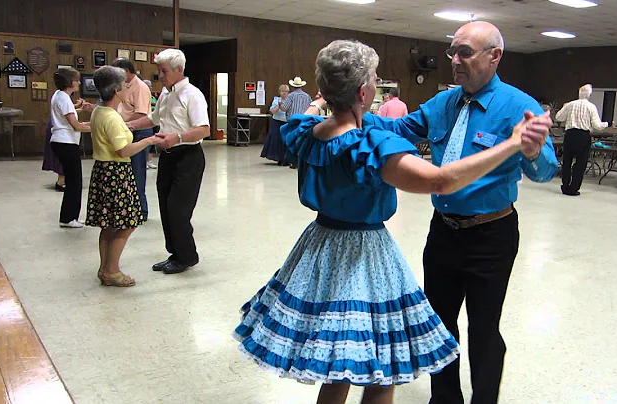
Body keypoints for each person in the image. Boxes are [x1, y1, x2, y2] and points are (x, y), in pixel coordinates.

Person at [234, 39, 552, 404]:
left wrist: (328, 97)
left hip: (328, 244)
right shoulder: (370, 142)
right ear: (364, 91)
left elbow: (306, 114)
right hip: (371, 252)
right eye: (372, 78)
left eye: (465, 51)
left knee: (343, 361)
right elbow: (440, 179)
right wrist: (511, 143)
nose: (455, 59)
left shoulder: (306, 130)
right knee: (380, 367)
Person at [126, 49, 210, 275]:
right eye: (159, 71)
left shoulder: (193, 95)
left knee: (177, 210)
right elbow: (153, 118)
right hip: (168, 156)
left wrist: (177, 137)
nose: (160, 76)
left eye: (164, 71)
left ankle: (187, 257)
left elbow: (204, 129)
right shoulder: (165, 94)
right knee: (164, 205)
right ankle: (174, 252)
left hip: (188, 157)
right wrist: (130, 125)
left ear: (179, 69)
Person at [86, 66, 157, 287]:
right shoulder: (112, 117)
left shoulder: (98, 111)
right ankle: (112, 269)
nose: (128, 88)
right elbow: (123, 150)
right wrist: (149, 141)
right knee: (127, 223)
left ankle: (105, 268)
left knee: (109, 224)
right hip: (116, 173)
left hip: (103, 171)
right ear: (117, 89)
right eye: (125, 85)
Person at [111, 58, 153, 219]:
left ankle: (141, 210)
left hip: (139, 131)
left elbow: (141, 114)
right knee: (127, 172)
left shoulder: (140, 87)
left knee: (137, 172)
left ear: (126, 71)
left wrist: (120, 122)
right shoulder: (124, 86)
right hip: (127, 129)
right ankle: (129, 206)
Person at [50, 67, 92, 228]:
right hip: (65, 142)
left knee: (73, 180)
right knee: (74, 181)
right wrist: (98, 127)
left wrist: (80, 108)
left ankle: (70, 216)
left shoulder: (60, 96)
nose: (79, 83)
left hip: (62, 141)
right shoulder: (64, 98)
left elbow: (67, 114)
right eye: (76, 80)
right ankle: (68, 218)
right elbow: (76, 126)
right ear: (70, 82)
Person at [554, 84, 608, 196]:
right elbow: (597, 125)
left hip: (570, 135)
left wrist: (564, 107)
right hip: (583, 136)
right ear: (589, 94)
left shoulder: (570, 105)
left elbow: (558, 117)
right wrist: (607, 124)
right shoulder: (591, 107)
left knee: (567, 161)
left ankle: (565, 186)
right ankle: (574, 188)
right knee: (580, 163)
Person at [281, 77, 313, 168]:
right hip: (304, 121)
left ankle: (293, 161)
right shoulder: (307, 96)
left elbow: (284, 108)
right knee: (302, 141)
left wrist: (280, 105)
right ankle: (302, 161)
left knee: (291, 141)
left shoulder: (291, 96)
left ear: (293, 86)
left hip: (293, 121)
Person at [260, 84, 290, 165]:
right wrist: (279, 105)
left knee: (286, 141)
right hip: (277, 122)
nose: (284, 93)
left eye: (286, 91)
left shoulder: (290, 100)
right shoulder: (276, 100)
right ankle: (278, 158)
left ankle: (286, 159)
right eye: (282, 91)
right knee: (276, 140)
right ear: (279, 92)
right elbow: (272, 111)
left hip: (287, 122)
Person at [143, 79, 159, 170]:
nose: (150, 88)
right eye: (148, 86)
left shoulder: (153, 96)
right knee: (145, 141)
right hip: (146, 120)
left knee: (153, 141)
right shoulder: (142, 95)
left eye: (151, 86)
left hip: (154, 121)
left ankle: (150, 161)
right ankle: (144, 161)